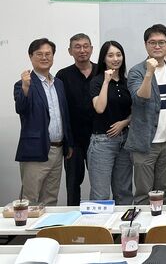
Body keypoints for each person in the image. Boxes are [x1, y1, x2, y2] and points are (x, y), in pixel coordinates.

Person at [14, 38, 74, 205]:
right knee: (30, 200)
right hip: (36, 150)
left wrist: (68, 142)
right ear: (30, 56)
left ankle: (47, 225)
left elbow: (64, 115)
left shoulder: (58, 83)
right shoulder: (23, 84)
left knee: (50, 199)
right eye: (39, 54)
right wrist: (26, 87)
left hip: (58, 149)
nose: (44, 57)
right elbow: (21, 109)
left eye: (48, 54)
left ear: (53, 56)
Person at [126, 24, 166, 205]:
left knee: (164, 191)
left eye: (161, 42)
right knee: (144, 193)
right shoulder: (137, 71)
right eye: (152, 42)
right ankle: (143, 225)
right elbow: (139, 99)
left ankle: (162, 224)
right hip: (145, 144)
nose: (157, 46)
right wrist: (149, 73)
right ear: (146, 45)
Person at [88, 41, 133, 204]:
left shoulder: (127, 82)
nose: (115, 59)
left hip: (125, 141)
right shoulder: (97, 81)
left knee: (124, 193)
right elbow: (99, 108)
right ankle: (99, 222)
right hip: (102, 142)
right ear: (104, 59)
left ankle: (124, 222)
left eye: (119, 55)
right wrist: (106, 81)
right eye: (111, 55)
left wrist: (124, 122)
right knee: (101, 194)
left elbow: (136, 111)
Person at [56, 33, 97, 205]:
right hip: (74, 142)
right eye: (77, 47)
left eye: (86, 46)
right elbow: (59, 110)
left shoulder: (102, 72)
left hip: (99, 139)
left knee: (100, 183)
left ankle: (100, 219)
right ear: (70, 51)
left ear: (92, 49)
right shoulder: (62, 75)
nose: (82, 50)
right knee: (73, 184)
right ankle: (72, 217)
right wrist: (67, 142)